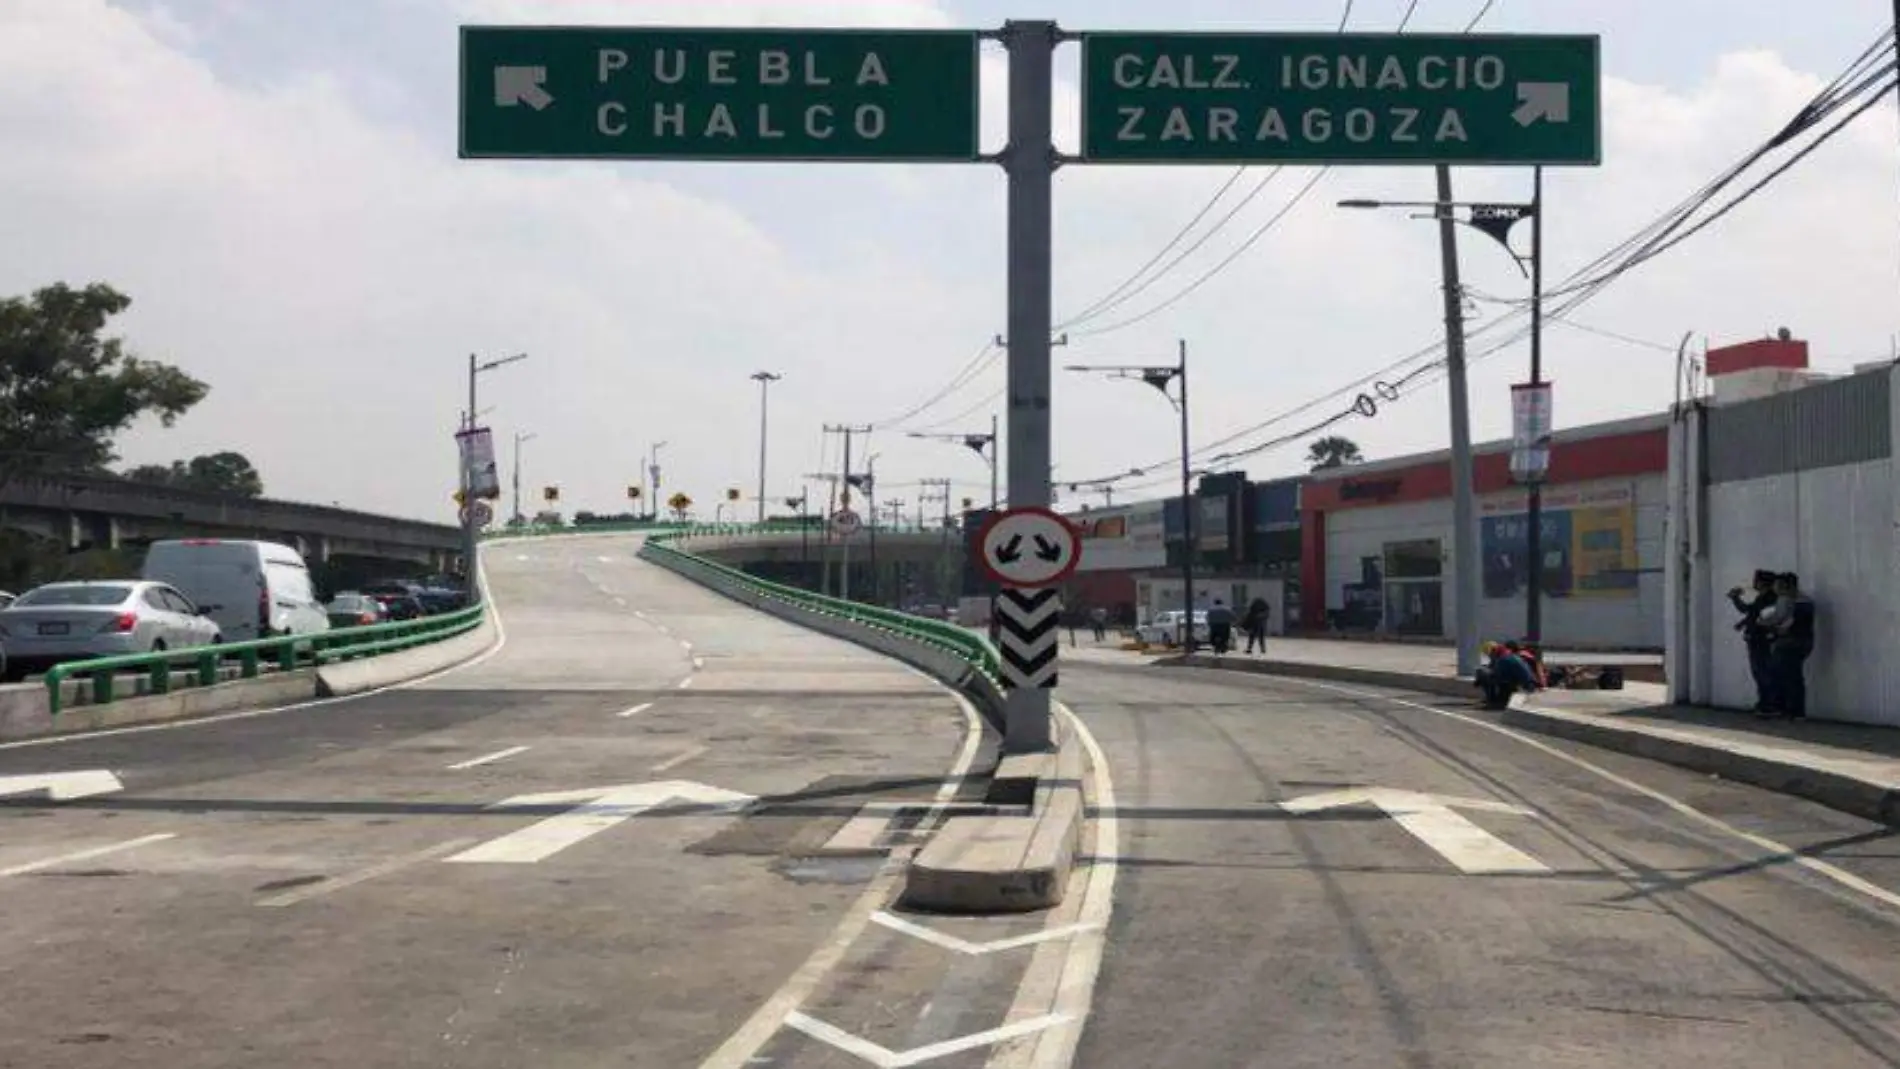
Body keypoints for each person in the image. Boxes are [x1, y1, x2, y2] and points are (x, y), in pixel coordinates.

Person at [1758, 572, 1815, 719]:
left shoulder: (1785, 599)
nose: (1775, 588)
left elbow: (1779, 617)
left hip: (1787, 642)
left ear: (1785, 586)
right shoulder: (1806, 600)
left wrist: (1762, 622)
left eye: (1777, 585)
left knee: (1776, 674)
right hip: (1805, 642)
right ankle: (1797, 711)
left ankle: (1780, 707)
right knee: (1795, 676)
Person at [1727, 569, 1778, 712]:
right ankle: (1765, 702)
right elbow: (1753, 613)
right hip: (1757, 638)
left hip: (1761, 639)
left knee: (1762, 671)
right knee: (1760, 671)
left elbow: (1750, 611)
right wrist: (1743, 623)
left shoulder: (1767, 598)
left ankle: (1768, 703)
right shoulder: (1764, 598)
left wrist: (1735, 598)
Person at [1474, 640, 1540, 709]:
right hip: (1526, 683)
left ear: (1493, 651)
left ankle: (1493, 700)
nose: (1490, 656)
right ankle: (1497, 700)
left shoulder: (1503, 658)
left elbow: (1498, 675)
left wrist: (1480, 678)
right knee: (1486, 674)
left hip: (1523, 686)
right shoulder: (1507, 654)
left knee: (1483, 675)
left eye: (1489, 654)